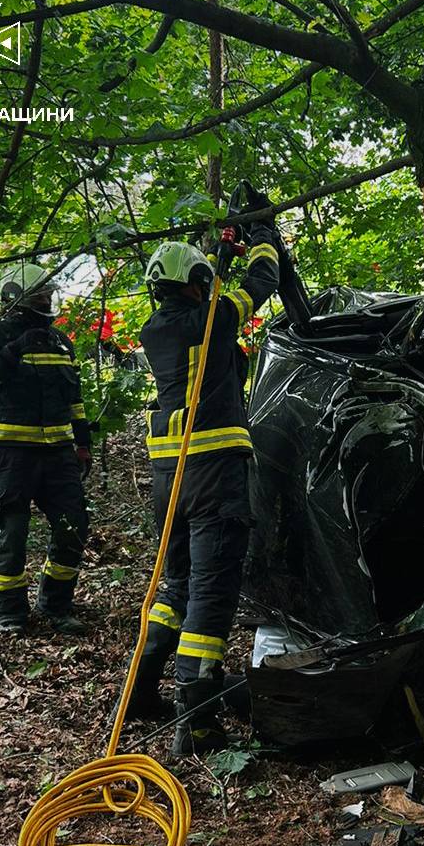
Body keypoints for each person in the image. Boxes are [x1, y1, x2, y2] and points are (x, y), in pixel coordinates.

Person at [128, 213, 280, 755]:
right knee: (211, 598)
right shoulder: (212, 317)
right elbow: (263, 283)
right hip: (215, 477)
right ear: (196, 285)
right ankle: (197, 722)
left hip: (170, 481)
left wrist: (223, 256)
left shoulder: (156, 331)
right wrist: (262, 239)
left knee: (176, 590)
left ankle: (140, 693)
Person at [0, 264, 92, 634]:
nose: (47, 299)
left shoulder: (59, 342)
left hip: (58, 454)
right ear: (16, 295)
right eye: (40, 294)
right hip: (12, 455)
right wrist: (14, 351)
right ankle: (11, 613)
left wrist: (82, 443)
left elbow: (74, 399)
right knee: (11, 532)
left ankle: (55, 604)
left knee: (74, 526)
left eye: (48, 292)